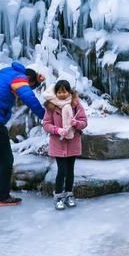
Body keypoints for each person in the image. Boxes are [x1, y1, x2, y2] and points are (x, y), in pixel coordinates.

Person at [0, 62, 45, 206]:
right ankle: (2, 197)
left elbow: (23, 88)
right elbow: (28, 96)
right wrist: (44, 115)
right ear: (28, 79)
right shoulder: (19, 78)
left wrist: (37, 81)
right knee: (6, 159)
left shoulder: (7, 71)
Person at [42, 80, 88, 210]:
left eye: (64, 91)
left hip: (73, 142)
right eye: (59, 91)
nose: (62, 94)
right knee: (62, 170)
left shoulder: (76, 104)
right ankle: (58, 196)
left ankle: (69, 194)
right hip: (58, 143)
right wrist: (57, 130)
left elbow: (84, 121)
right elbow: (46, 124)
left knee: (70, 171)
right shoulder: (51, 106)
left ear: (69, 92)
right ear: (55, 92)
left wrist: (76, 123)